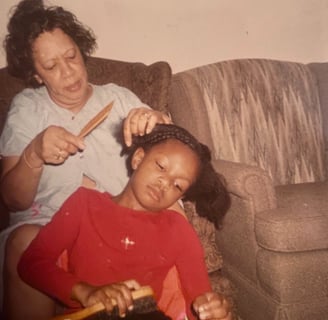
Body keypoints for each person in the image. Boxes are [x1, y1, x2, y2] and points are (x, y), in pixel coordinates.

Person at [0, 0, 173, 319]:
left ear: (82, 50)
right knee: (24, 243)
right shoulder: (27, 108)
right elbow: (13, 200)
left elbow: (173, 152)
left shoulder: (118, 98)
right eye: (51, 67)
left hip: (114, 223)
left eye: (71, 56)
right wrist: (34, 153)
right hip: (45, 226)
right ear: (36, 75)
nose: (68, 72)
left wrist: (156, 120)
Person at [18, 123, 232, 320]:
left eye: (178, 185)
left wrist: (215, 312)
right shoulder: (84, 204)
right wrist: (86, 292)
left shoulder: (179, 229)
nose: (164, 183)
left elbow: (199, 303)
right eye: (160, 166)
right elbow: (31, 263)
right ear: (138, 158)